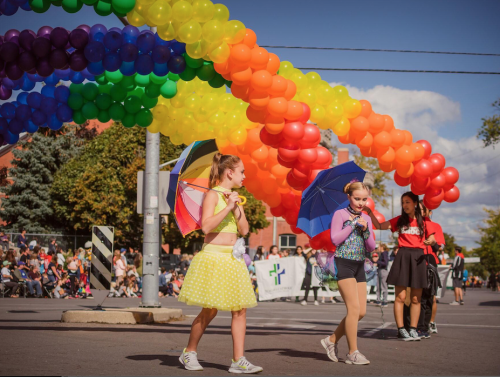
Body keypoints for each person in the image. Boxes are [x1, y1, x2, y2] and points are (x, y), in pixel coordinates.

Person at [178, 152, 262, 374]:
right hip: (214, 257)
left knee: (240, 310)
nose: (244, 176)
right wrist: (226, 207)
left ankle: (238, 360)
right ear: (230, 172)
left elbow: (244, 230)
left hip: (232, 259)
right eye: (242, 172)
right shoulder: (213, 195)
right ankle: (189, 352)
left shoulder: (234, 197)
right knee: (210, 310)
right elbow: (206, 227)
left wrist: (235, 207)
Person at [366, 191, 433, 341]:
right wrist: (369, 212)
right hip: (403, 256)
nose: (405, 205)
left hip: (419, 257)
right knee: (400, 297)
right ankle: (401, 329)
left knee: (416, 298)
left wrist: (431, 241)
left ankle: (414, 329)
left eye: (408, 202)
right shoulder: (399, 220)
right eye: (403, 202)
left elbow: (432, 237)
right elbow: (378, 225)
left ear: (415, 203)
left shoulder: (425, 221)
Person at [320, 181, 375, 365]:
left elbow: (372, 247)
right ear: (349, 197)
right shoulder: (340, 214)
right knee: (353, 309)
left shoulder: (366, 218)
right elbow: (335, 239)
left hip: (360, 265)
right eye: (357, 198)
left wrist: (366, 230)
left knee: (361, 312)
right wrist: (352, 225)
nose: (361, 203)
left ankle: (331, 340)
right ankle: (353, 352)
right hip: (343, 263)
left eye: (364, 199)